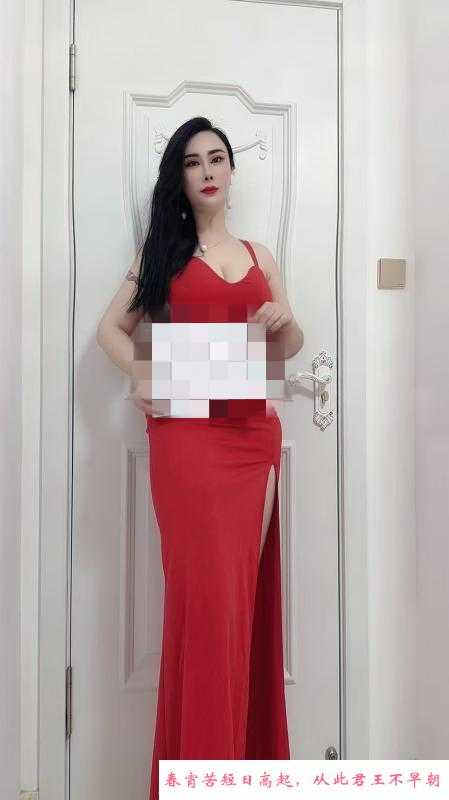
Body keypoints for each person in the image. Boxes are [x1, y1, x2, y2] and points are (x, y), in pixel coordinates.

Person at [96, 116, 303, 800]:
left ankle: (240, 773)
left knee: (240, 606)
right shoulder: (162, 252)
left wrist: (283, 321)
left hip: (253, 437)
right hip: (186, 440)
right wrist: (141, 374)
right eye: (192, 162)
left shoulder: (260, 254)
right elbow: (110, 329)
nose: (207, 170)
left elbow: (289, 348)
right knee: (207, 607)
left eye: (217, 158)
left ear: (232, 171)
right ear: (179, 178)